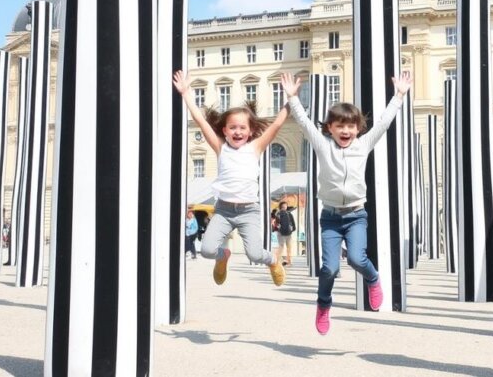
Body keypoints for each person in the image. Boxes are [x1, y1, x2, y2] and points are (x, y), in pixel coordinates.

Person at [280, 70, 413, 335]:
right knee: (329, 268)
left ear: (357, 129)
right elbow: (306, 124)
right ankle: (323, 305)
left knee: (356, 258)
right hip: (330, 217)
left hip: (356, 215)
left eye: (351, 126)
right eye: (339, 126)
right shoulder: (323, 145)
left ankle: (373, 278)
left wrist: (398, 95)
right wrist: (293, 99)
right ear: (330, 128)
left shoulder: (363, 145)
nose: (345, 131)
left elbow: (383, 124)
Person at [173, 69, 288, 287]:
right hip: (224, 210)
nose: (237, 132)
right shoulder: (220, 147)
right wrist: (186, 93)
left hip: (248, 211)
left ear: (250, 130)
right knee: (207, 250)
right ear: (224, 131)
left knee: (255, 255)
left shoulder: (255, 147)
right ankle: (223, 256)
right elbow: (200, 120)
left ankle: (273, 260)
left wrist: (289, 99)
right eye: (232, 128)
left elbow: (276, 125)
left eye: (242, 128)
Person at [275, 201, 297, 266]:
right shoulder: (289, 214)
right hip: (288, 233)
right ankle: (288, 261)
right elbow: (293, 224)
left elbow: (276, 224)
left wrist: (279, 229)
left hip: (281, 233)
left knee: (281, 247)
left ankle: (278, 261)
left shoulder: (278, 214)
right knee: (289, 248)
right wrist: (292, 230)